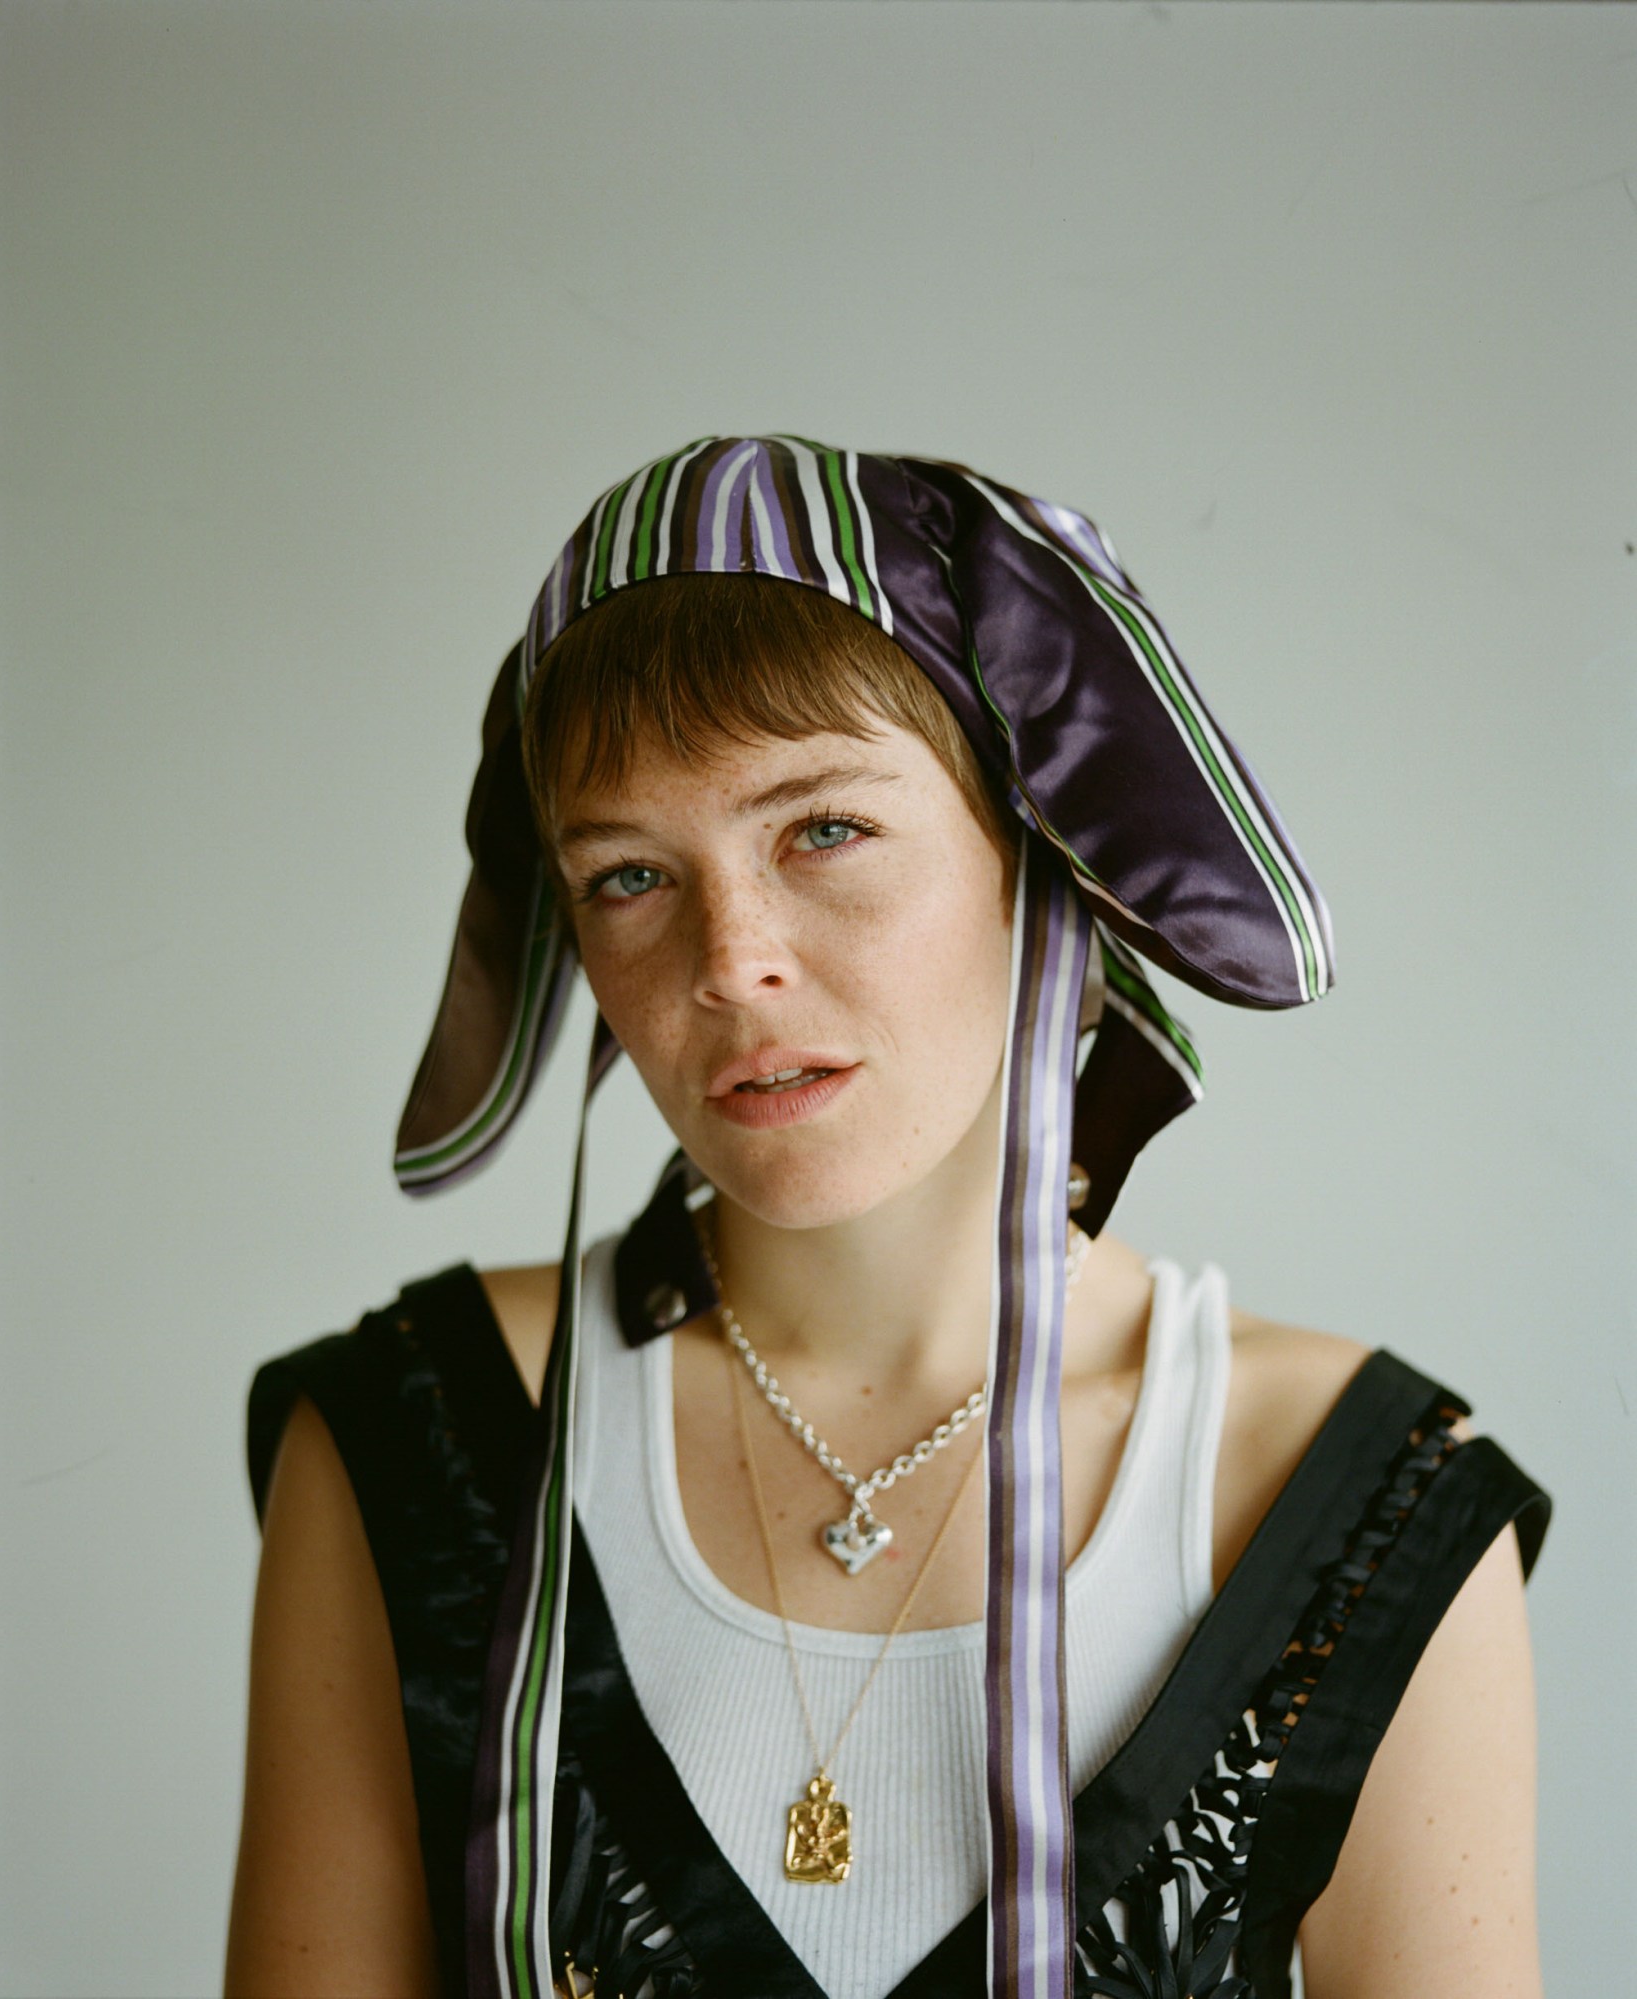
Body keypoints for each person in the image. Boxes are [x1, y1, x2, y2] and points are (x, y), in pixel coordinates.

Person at [225, 438, 1550, 1999]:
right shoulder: (409, 1441)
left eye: (825, 830)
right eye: (633, 875)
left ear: (1037, 853)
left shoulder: (1352, 1496)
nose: (730, 962)